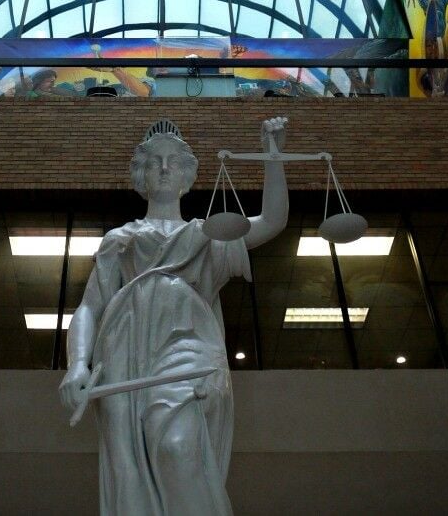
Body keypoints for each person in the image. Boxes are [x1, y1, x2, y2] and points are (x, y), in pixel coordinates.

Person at [59, 117, 288, 515]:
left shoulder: (207, 233)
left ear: (187, 177)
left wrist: (273, 156)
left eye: (173, 162)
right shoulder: (120, 239)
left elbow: (271, 222)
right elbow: (90, 306)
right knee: (126, 467)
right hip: (123, 353)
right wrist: (77, 364)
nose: (164, 168)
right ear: (141, 176)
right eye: (154, 162)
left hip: (187, 349)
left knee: (178, 447)